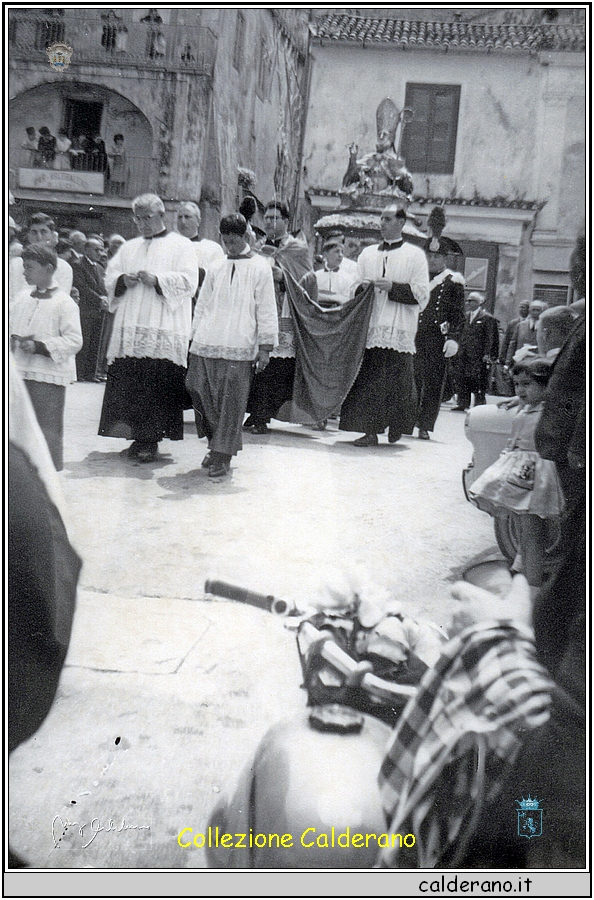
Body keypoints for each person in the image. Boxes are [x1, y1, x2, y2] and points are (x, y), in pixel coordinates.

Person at [98, 193, 198, 463]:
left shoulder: (182, 245)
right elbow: (110, 278)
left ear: (162, 216)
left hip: (161, 326)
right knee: (131, 380)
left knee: (155, 382)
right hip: (131, 325)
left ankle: (150, 440)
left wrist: (158, 280)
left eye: (147, 218)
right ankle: (136, 436)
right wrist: (121, 280)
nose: (142, 224)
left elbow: (190, 281)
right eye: (138, 218)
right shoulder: (128, 247)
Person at [186, 213, 278, 478]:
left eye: (234, 241)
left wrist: (265, 347)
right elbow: (202, 304)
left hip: (240, 343)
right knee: (199, 389)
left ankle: (222, 455)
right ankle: (215, 444)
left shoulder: (261, 266)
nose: (230, 246)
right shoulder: (216, 266)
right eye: (225, 241)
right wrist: (193, 338)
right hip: (207, 341)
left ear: (246, 235)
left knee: (231, 402)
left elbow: (267, 309)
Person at [469, 358, 564, 597]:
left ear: (546, 387)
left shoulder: (548, 411)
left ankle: (530, 590)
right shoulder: (528, 407)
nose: (520, 390)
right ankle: (521, 568)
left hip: (536, 476)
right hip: (519, 474)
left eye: (527, 385)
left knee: (533, 534)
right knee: (522, 526)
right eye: (517, 385)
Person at [339, 200, 430, 446]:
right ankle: (369, 431)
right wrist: (363, 287)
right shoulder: (368, 254)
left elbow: (423, 293)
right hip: (373, 326)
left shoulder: (415, 255)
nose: (382, 223)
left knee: (398, 382)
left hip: (399, 326)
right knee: (371, 381)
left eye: (388, 219)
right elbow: (352, 287)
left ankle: (396, 427)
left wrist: (394, 288)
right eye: (381, 218)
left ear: (401, 222)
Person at [9, 245, 83, 471]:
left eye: (29, 268)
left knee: (45, 426)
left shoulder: (64, 303)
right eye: (24, 267)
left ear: (49, 269)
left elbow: (74, 341)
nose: (24, 273)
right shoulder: (21, 297)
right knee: (17, 424)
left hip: (47, 377)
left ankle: (46, 474)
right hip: (19, 371)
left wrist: (40, 346)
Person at [244, 199, 315, 434]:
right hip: (260, 311)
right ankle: (255, 411)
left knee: (276, 368)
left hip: (284, 310)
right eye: (267, 218)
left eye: (275, 218)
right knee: (256, 364)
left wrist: (283, 277)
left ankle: (263, 415)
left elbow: (308, 280)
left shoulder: (297, 249)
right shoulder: (258, 247)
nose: (270, 222)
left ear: (286, 222)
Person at [414, 234, 465, 439]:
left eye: (437, 256)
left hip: (437, 338)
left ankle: (425, 424)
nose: (432, 260)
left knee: (433, 382)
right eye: (429, 256)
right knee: (412, 378)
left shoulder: (453, 282)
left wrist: (453, 338)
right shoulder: (417, 278)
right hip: (414, 334)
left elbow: (458, 315)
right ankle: (406, 420)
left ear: (445, 258)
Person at [9, 214, 73, 304]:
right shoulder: (16, 264)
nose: (39, 237)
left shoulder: (63, 267)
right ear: (28, 236)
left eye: (43, 232)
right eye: (34, 232)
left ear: (52, 235)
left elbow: (60, 300)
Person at [452, 291, 499, 410]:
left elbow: (490, 337)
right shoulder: (466, 316)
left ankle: (479, 403)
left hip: (478, 355)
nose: (468, 303)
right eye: (467, 300)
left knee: (478, 379)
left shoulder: (487, 318)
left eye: (471, 301)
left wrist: (487, 354)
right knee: (462, 377)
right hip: (464, 353)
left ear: (479, 303)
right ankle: (462, 402)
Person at [73, 238, 109, 382]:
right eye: (96, 250)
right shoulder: (78, 265)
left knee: (96, 342)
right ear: (86, 249)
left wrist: (105, 297)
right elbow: (82, 287)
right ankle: (80, 373)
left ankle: (91, 373)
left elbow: (103, 286)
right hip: (86, 310)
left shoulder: (99, 267)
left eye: (101, 249)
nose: (100, 253)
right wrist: (99, 299)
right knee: (85, 341)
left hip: (98, 310)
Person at [176, 200, 224, 306]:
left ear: (198, 221)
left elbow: (217, 278)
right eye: (180, 217)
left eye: (187, 217)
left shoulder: (211, 248)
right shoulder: (169, 247)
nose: (183, 222)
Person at [314, 237, 358, 308]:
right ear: (325, 254)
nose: (340, 255)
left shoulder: (347, 279)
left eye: (342, 252)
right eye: (336, 251)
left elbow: (349, 300)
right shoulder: (316, 276)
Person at [505, 299, 547, 367]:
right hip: (519, 362)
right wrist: (508, 361)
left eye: (538, 310)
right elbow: (513, 344)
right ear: (529, 311)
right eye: (533, 310)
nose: (535, 312)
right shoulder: (521, 325)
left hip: (536, 362)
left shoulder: (545, 326)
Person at [500, 299, 530, 367]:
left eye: (523, 307)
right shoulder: (513, 323)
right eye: (520, 307)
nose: (521, 309)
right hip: (513, 356)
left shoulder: (531, 323)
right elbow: (506, 341)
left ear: (528, 309)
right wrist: (503, 356)